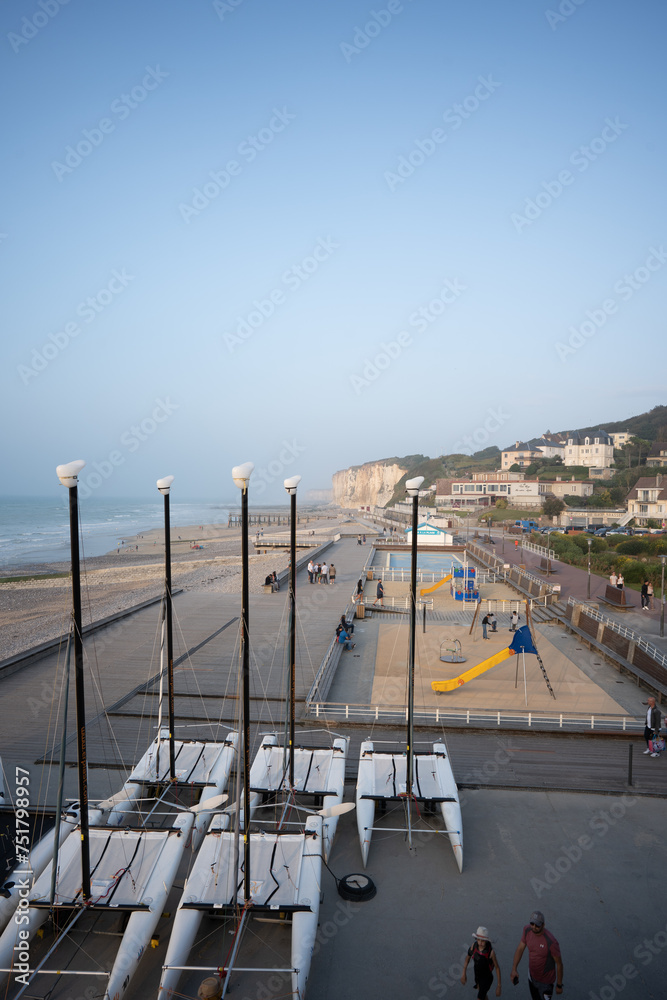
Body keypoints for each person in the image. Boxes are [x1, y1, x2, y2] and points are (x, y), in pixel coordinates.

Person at [510, 911, 563, 998]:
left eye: (537, 925)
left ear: (543, 925)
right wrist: (514, 969)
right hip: (531, 976)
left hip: (546, 983)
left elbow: (559, 964)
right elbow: (520, 949)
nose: (534, 927)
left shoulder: (551, 942)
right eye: (532, 924)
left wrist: (559, 985)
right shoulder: (527, 930)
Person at [461, 926, 501, 999]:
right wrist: (464, 973)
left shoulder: (491, 953)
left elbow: (497, 968)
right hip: (478, 977)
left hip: (487, 979)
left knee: (480, 997)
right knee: (483, 995)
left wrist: (499, 986)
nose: (480, 943)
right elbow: (467, 959)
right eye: (478, 940)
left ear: (486, 941)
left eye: (483, 941)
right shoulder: (474, 946)